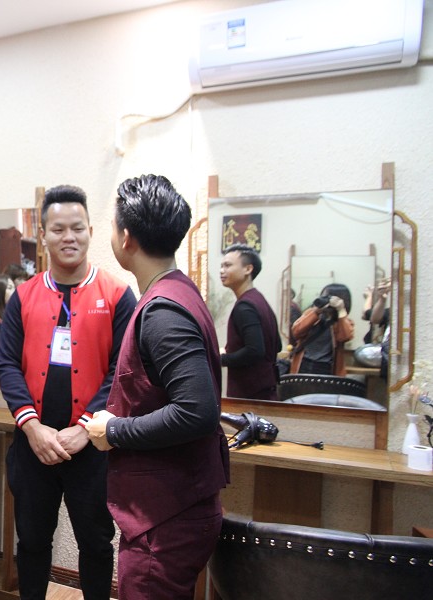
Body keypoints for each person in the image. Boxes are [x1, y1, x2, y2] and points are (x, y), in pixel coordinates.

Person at [86, 174, 229, 600]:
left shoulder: (163, 310)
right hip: (172, 508)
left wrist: (114, 430)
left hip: (166, 517)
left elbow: (197, 411)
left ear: (126, 237)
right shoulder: (176, 290)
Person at [0, 184, 136, 600]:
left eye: (77, 228)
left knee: (96, 543)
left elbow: (122, 371)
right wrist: (32, 427)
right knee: (32, 541)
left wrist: (85, 428)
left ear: (91, 230)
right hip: (33, 444)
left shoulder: (117, 295)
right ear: (43, 235)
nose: (68, 237)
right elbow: (7, 364)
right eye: (58, 229)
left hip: (92, 447)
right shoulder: (23, 296)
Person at [219, 243, 282, 400]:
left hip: (251, 394)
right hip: (265, 389)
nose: (222, 271)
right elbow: (278, 345)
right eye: (221, 266)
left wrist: (218, 359)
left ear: (248, 269)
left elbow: (254, 351)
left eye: (227, 265)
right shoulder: (258, 299)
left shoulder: (245, 306)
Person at [290, 283, 355, 376]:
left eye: (328, 297)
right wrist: (316, 312)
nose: (325, 299)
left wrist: (341, 310)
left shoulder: (343, 321)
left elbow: (344, 337)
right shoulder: (312, 314)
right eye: (323, 296)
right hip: (304, 362)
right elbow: (296, 332)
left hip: (326, 366)